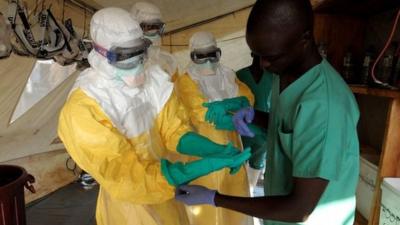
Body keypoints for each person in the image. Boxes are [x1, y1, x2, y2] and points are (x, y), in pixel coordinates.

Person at [58, 7, 251, 225]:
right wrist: (198, 167)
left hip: (166, 192)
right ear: (102, 54)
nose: (139, 66)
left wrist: (215, 150)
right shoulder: (85, 106)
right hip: (128, 206)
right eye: (127, 58)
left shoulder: (153, 79)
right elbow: (126, 176)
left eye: (141, 54)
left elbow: (173, 131)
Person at [175, 1, 360, 225]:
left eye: (271, 56)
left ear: (304, 39)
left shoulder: (326, 107)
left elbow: (299, 209)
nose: (263, 65)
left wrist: (215, 198)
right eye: (257, 54)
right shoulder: (285, 72)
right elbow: (294, 127)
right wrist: (256, 116)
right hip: (278, 212)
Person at [175, 31, 255, 225]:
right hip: (203, 148)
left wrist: (238, 104)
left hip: (232, 142)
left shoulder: (227, 75)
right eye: (200, 57)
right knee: (205, 204)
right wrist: (233, 111)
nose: (208, 62)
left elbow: (248, 99)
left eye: (212, 54)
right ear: (192, 56)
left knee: (234, 195)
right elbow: (200, 112)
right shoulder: (185, 81)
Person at [236, 53, 273, 187]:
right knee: (239, 163)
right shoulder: (238, 76)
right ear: (251, 53)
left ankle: (250, 192)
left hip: (264, 131)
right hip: (242, 130)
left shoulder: (274, 77)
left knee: (256, 166)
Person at [130, 2, 178, 81]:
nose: (155, 32)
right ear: (136, 28)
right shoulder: (127, 64)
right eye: (149, 27)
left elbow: (176, 89)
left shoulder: (169, 60)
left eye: (158, 27)